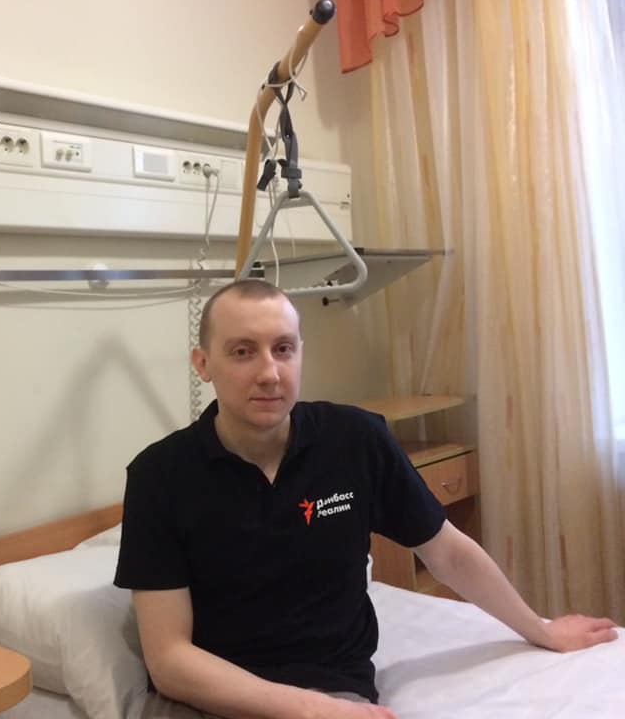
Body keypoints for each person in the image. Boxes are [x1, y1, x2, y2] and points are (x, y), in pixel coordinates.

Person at [114, 279, 617, 719]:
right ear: (203, 364)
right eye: (243, 352)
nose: (269, 372)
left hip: (331, 689)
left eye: (283, 349)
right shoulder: (160, 476)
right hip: (209, 700)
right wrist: (307, 710)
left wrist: (541, 630)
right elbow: (169, 659)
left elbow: (447, 553)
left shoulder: (354, 441)